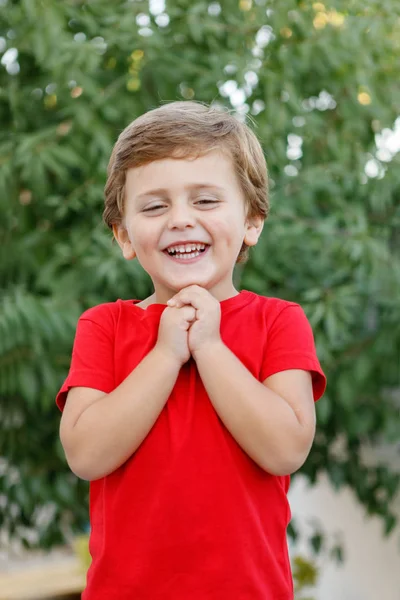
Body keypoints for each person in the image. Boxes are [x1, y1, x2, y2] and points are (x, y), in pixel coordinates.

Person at [56, 101, 326, 600]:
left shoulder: (279, 321)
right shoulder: (105, 326)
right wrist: (164, 355)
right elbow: (86, 455)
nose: (180, 220)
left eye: (205, 201)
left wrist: (209, 346)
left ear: (252, 221)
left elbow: (285, 449)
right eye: (155, 206)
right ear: (124, 236)